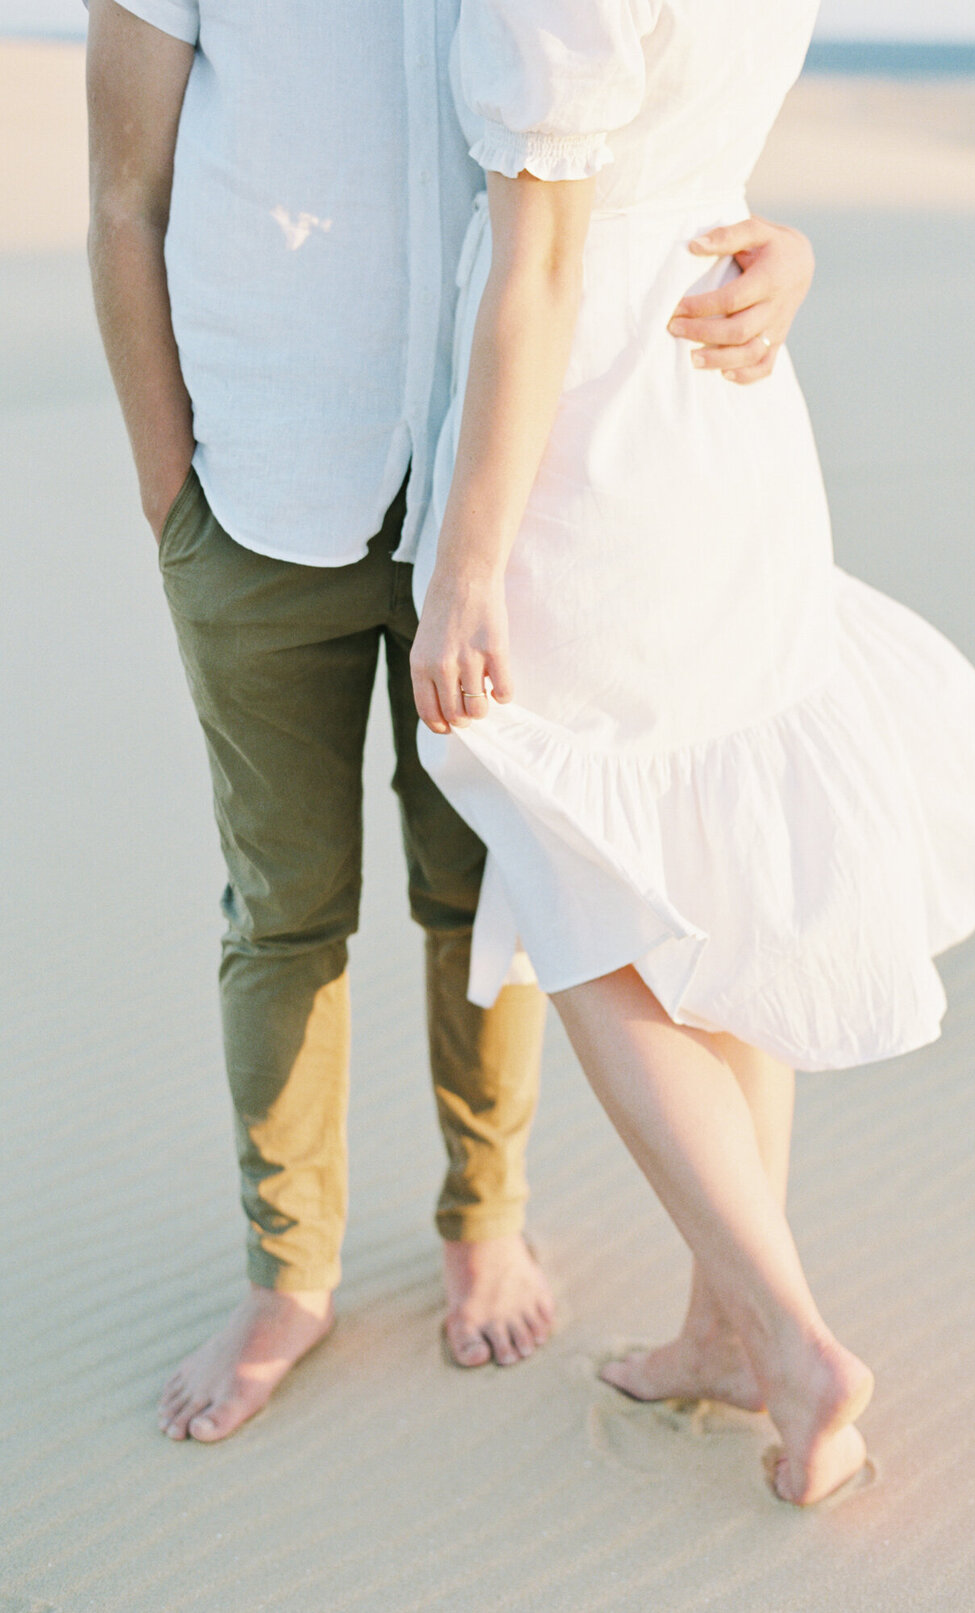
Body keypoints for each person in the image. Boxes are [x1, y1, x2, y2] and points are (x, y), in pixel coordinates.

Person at [84, 0, 818, 1443]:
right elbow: (125, 199)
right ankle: (288, 1275)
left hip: (503, 520)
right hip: (254, 486)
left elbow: (641, 135)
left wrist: (788, 249)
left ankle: (485, 1223)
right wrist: (171, 492)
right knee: (285, 908)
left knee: (483, 895)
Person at [410, 0, 975, 1505]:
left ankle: (789, 1334)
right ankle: (726, 1319)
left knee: (579, 890)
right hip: (721, 399)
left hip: (591, 437)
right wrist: (800, 250)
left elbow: (541, 265)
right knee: (719, 852)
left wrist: (466, 562)